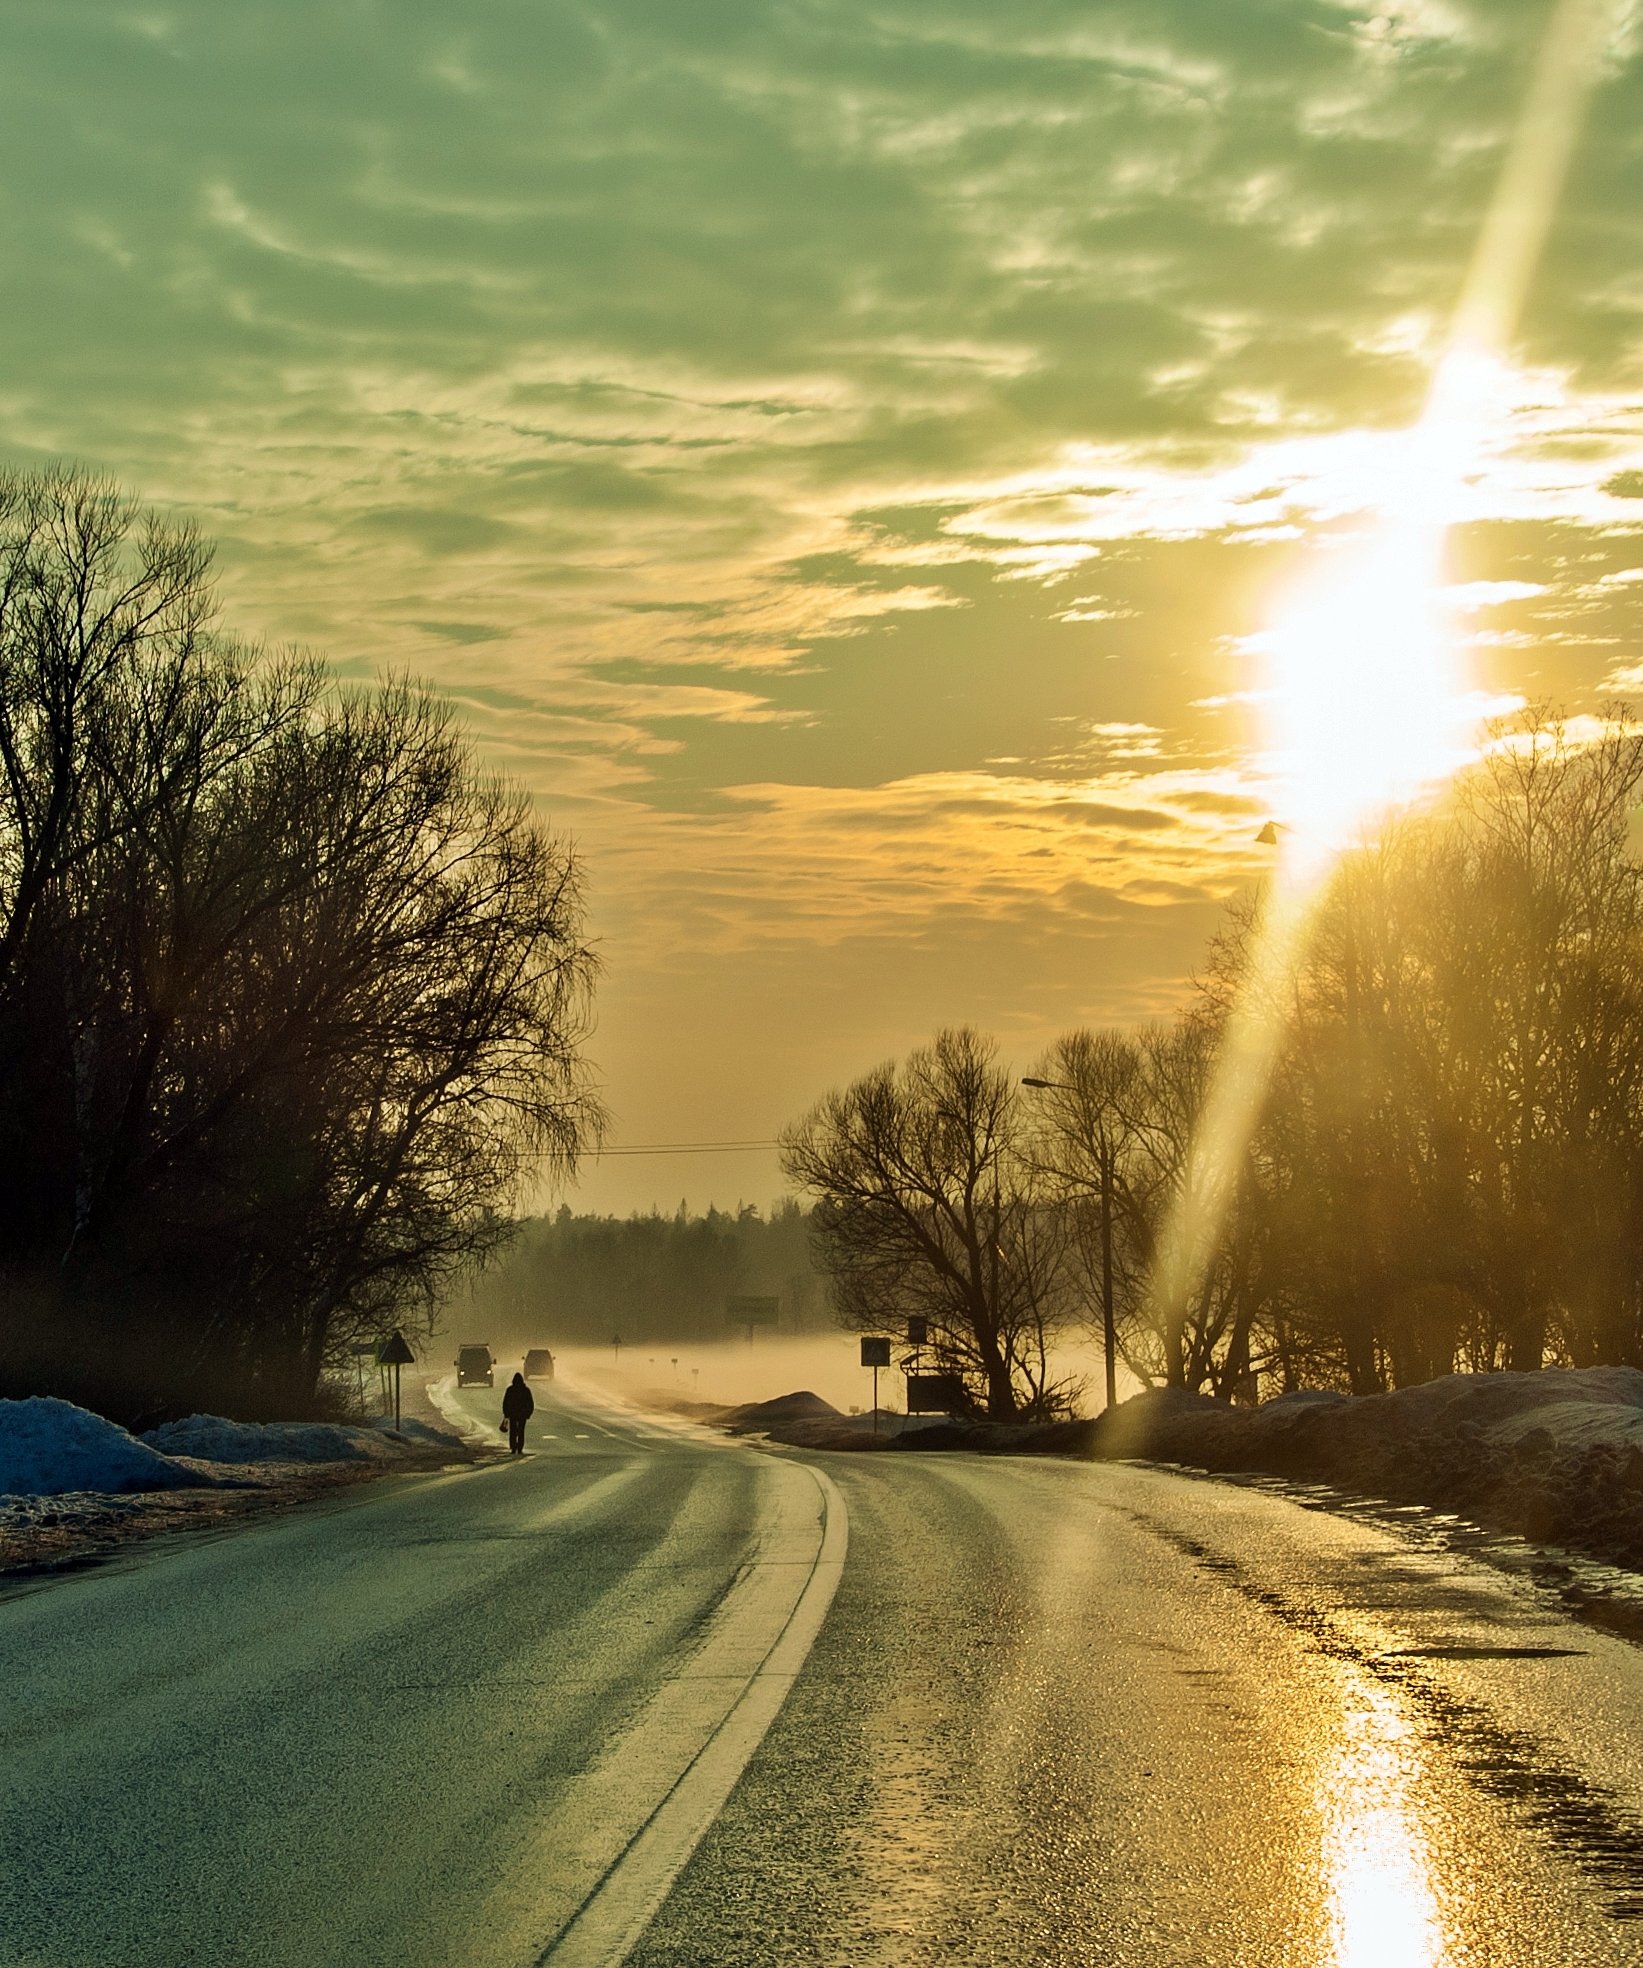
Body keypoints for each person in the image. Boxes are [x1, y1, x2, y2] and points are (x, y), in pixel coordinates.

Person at [501, 1371, 534, 1455]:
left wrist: (506, 1413)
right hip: (522, 1414)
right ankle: (519, 1447)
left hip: (513, 1414)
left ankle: (513, 1447)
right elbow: (530, 1403)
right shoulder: (525, 1390)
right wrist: (528, 1413)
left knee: (513, 1431)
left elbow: (506, 1402)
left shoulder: (510, 1390)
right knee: (521, 1431)